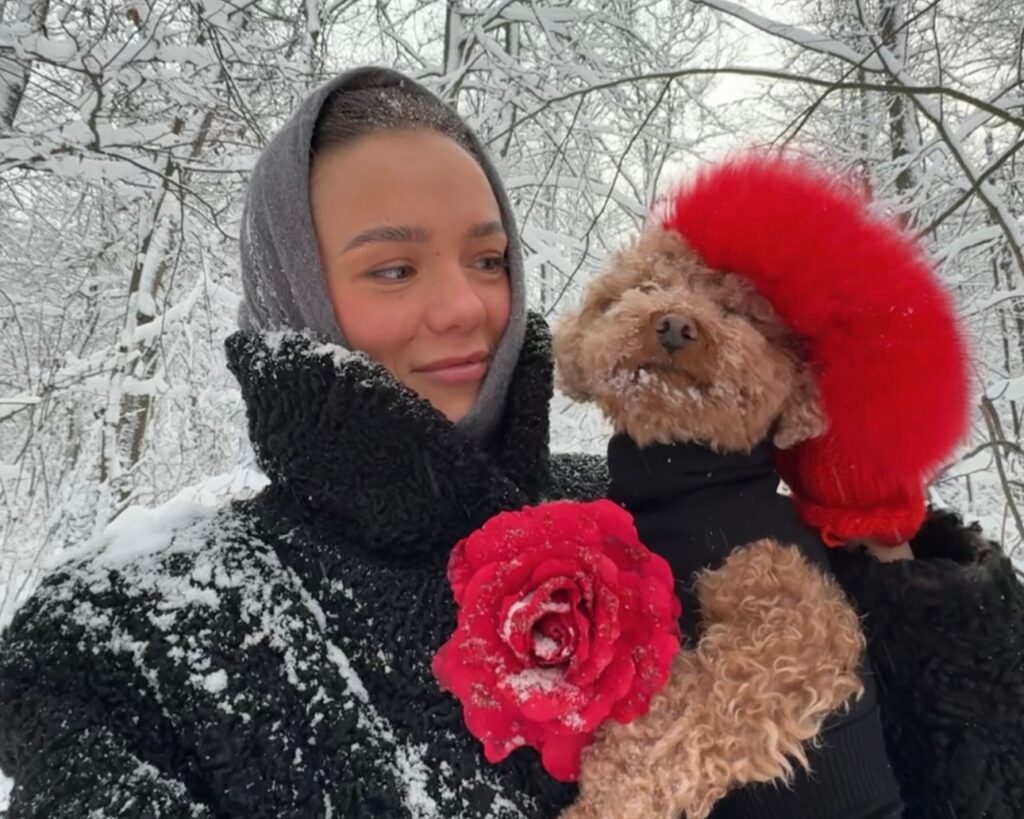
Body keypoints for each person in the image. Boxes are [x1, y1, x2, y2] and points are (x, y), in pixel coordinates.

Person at [0, 65, 1020, 819]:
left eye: (488, 258)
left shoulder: (663, 521)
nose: (462, 308)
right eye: (392, 270)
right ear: (294, 291)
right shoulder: (139, 640)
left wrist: (892, 569)